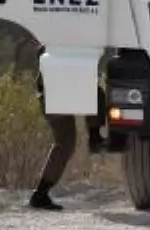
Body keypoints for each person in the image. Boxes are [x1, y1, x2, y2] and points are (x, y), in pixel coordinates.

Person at [29, 52, 107, 211]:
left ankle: (41, 193)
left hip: (52, 92)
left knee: (65, 143)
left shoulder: (56, 41)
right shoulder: (60, 43)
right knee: (65, 142)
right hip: (55, 91)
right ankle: (94, 137)